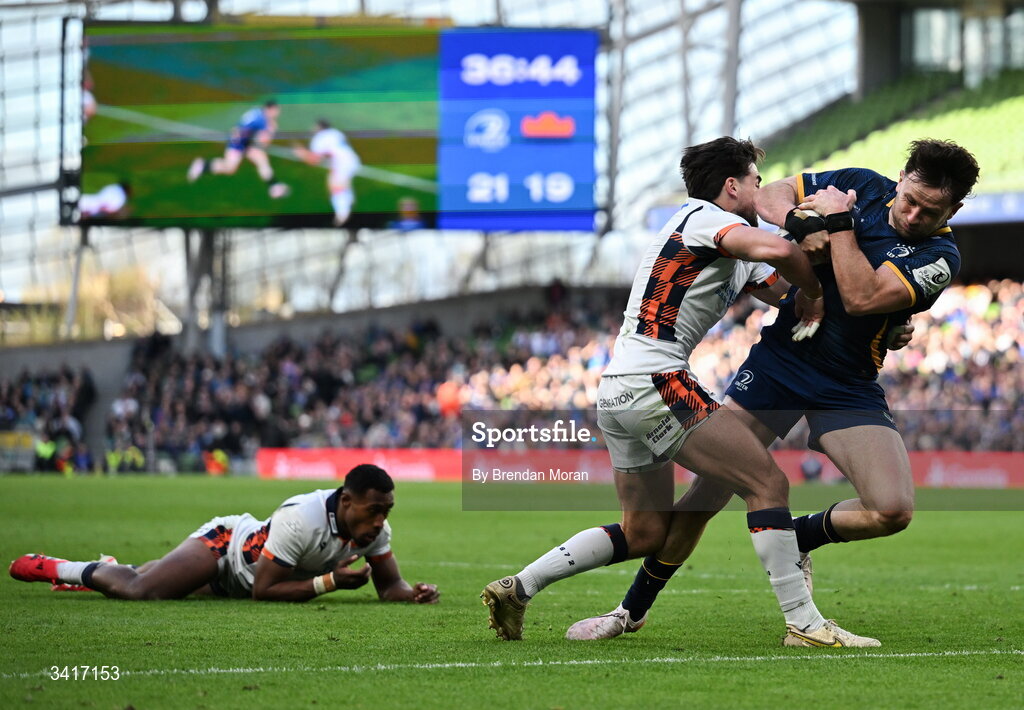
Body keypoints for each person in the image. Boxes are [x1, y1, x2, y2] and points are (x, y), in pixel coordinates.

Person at [567, 138, 980, 642]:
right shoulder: (865, 185)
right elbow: (771, 197)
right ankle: (629, 611)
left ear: (953, 210)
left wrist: (836, 223)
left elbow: (861, 295)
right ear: (901, 178)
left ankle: (798, 535)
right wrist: (805, 221)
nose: (912, 215)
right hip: (780, 365)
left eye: (929, 210)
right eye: (909, 199)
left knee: (892, 510)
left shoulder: (940, 255)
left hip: (847, 384)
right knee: (708, 492)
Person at [482, 136, 879, 648]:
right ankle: (804, 625)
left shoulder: (721, 240)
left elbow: (782, 287)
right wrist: (818, 293)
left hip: (619, 389)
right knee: (767, 486)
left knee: (643, 532)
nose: (762, 191)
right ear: (731, 186)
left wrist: (852, 306)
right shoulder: (704, 218)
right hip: (658, 382)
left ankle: (521, 587)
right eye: (756, 182)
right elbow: (783, 252)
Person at [9, 464, 439, 604]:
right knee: (142, 591)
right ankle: (57, 567)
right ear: (346, 501)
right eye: (374, 509)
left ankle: (106, 570)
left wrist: (412, 593)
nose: (381, 520)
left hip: (235, 582)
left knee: (147, 578)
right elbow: (264, 590)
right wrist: (329, 582)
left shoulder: (372, 531)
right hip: (227, 550)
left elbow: (389, 587)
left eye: (387, 510)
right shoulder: (303, 517)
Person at [188, 100, 290, 199]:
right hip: (238, 142)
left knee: (262, 161)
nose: (277, 113)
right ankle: (203, 165)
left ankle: (274, 186)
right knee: (230, 168)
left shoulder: (258, 113)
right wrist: (269, 132)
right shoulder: (262, 120)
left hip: (247, 142)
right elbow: (262, 140)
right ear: (270, 109)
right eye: (276, 111)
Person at [292, 119, 362, 226]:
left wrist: (301, 154)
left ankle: (343, 212)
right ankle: (347, 203)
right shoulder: (335, 133)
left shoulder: (320, 138)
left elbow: (314, 160)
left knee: (335, 187)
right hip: (351, 159)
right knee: (340, 184)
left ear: (319, 127)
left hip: (341, 162)